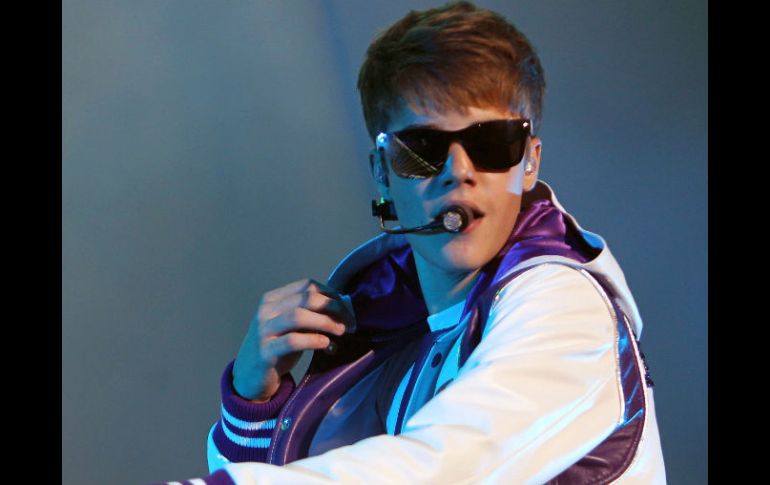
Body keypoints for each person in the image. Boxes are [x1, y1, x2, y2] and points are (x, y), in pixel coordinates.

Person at [155, 2, 666, 483]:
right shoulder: (387, 328)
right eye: (422, 149)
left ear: (529, 162)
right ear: (382, 171)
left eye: (491, 144)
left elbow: (436, 468)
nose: (458, 172)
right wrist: (253, 402)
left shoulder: (565, 309)